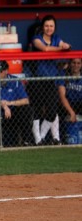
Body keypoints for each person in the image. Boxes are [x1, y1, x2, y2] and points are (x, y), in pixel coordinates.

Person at [31, 14, 71, 145]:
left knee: (52, 111)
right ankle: (38, 139)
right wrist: (61, 48)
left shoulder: (56, 38)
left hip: (51, 79)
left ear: (54, 27)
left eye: (51, 26)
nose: (49, 28)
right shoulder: (36, 38)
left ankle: (41, 136)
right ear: (42, 27)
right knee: (36, 109)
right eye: (46, 26)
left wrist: (65, 46)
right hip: (39, 79)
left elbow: (64, 45)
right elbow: (45, 49)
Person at [0, 61, 34, 147]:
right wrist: (2, 105)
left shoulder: (14, 80)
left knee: (26, 110)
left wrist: (9, 103)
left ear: (6, 71)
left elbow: (26, 100)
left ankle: (26, 141)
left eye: (0, 71)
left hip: (14, 109)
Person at [57, 58, 82, 123]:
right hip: (67, 104)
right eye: (74, 62)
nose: (76, 65)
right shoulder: (64, 74)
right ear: (70, 64)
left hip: (79, 104)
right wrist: (71, 112)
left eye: (78, 63)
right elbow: (62, 96)